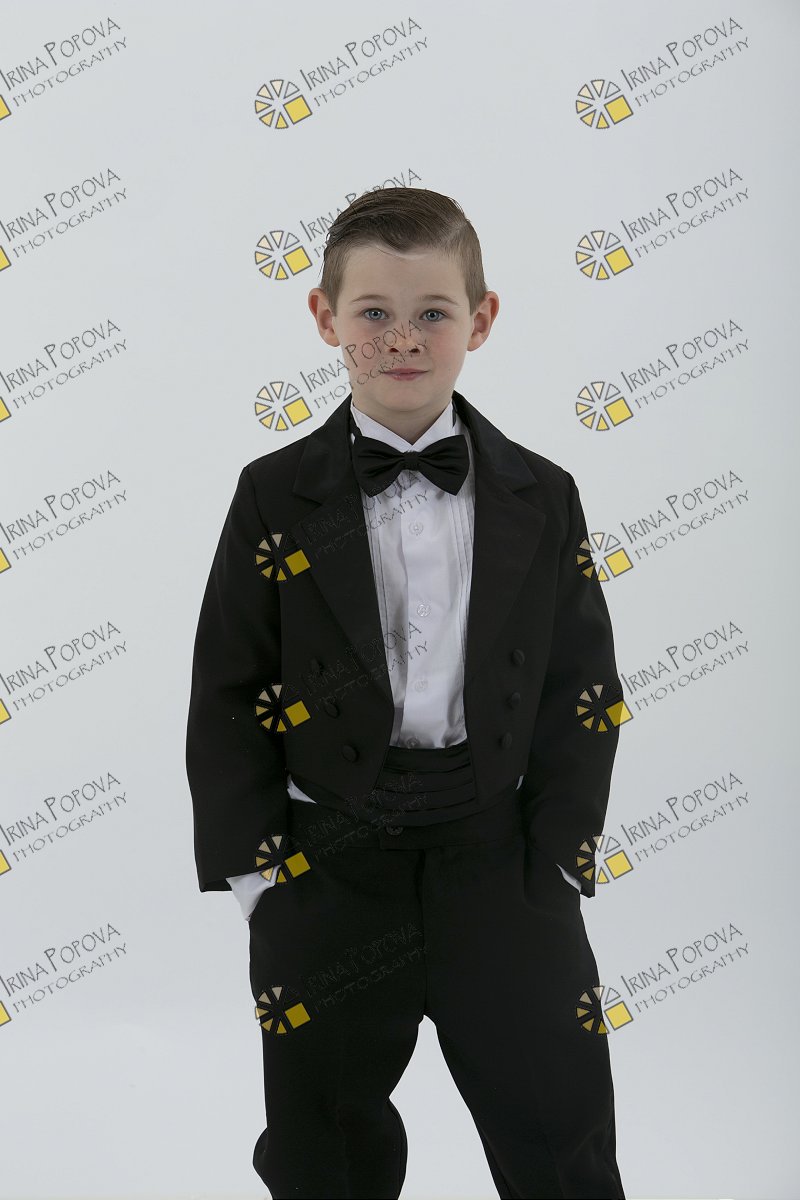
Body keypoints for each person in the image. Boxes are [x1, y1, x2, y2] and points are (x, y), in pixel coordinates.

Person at [185, 186, 628, 1198]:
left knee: (560, 1129)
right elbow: (228, 686)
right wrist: (263, 882)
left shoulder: (543, 491)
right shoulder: (271, 492)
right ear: (324, 317)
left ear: (481, 318)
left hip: (500, 862)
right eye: (373, 312)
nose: (401, 338)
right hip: (330, 867)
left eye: (432, 311)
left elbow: (584, 684)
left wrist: (560, 858)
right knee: (322, 1147)